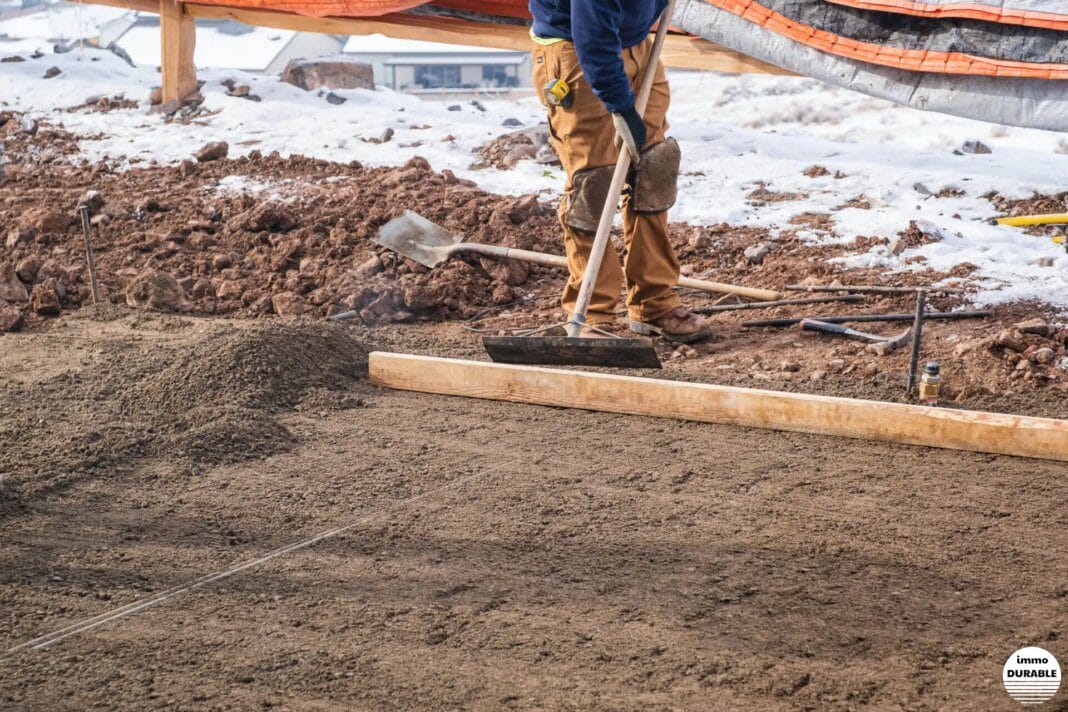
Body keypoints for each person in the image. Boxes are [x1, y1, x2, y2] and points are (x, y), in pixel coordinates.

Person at [529, 0, 713, 343]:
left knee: (654, 168)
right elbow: (592, 31)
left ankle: (654, 303)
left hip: (638, 45)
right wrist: (619, 103)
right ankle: (591, 312)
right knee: (594, 185)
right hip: (577, 49)